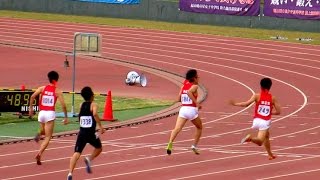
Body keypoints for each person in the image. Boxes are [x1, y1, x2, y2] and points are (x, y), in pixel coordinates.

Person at [229, 77, 281, 160]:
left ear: (261, 86)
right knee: (260, 141)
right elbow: (279, 112)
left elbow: (246, 104)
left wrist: (235, 104)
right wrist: (270, 113)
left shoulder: (257, 96)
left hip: (256, 120)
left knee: (266, 136)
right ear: (270, 86)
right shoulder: (273, 98)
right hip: (265, 122)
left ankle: (270, 154)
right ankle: (250, 138)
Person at [29, 70, 69, 165]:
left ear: (49, 79)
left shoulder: (42, 88)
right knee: (48, 137)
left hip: (41, 113)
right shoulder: (57, 91)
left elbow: (32, 97)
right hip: (50, 114)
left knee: (43, 131)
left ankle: (39, 133)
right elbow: (63, 105)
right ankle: (39, 153)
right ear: (56, 80)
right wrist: (66, 117)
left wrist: (30, 109)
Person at [67, 86, 105, 180]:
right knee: (99, 148)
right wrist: (100, 126)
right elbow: (95, 114)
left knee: (76, 153)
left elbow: (80, 116)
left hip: (82, 133)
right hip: (91, 133)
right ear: (92, 95)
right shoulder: (93, 105)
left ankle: (70, 173)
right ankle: (89, 159)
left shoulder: (81, 105)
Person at [166, 69, 203, 155]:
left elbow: (178, 99)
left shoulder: (183, 86)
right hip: (191, 110)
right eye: (197, 77)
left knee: (177, 128)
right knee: (199, 127)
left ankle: (170, 143)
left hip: (183, 110)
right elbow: (189, 92)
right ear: (194, 78)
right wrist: (196, 103)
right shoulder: (195, 86)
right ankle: (194, 146)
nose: (199, 78)